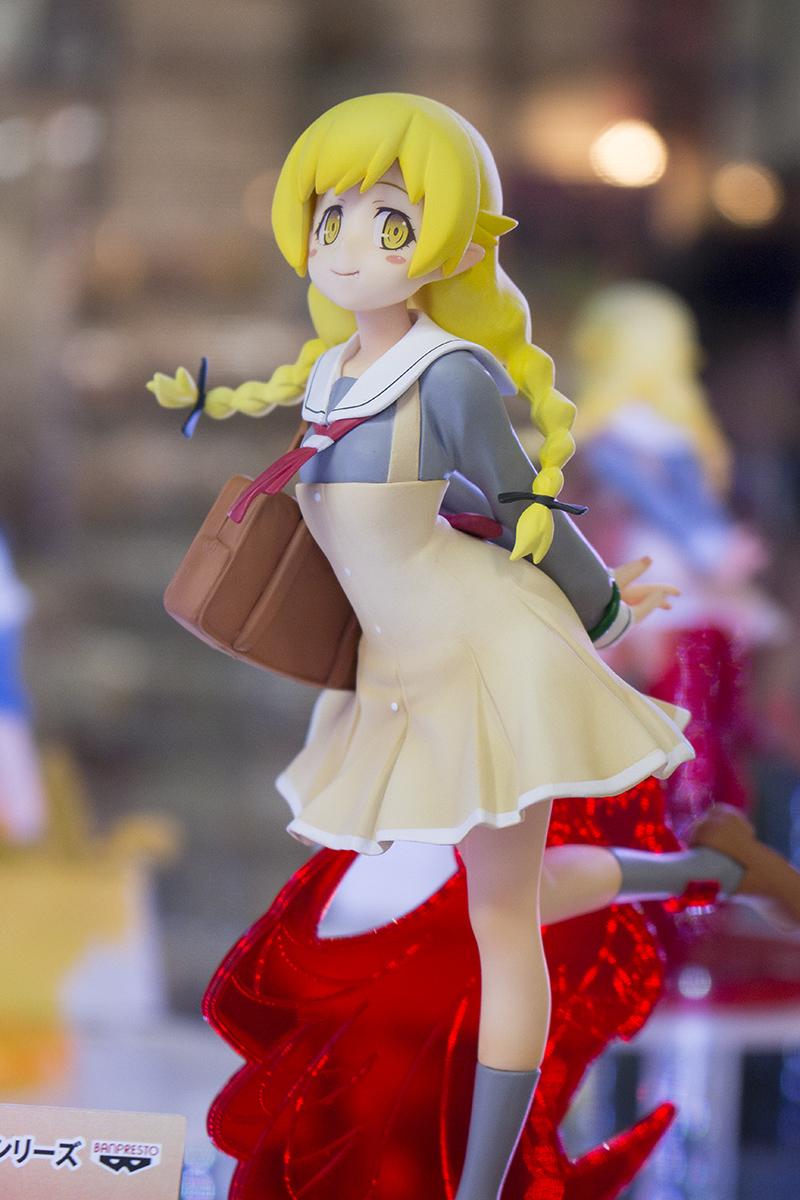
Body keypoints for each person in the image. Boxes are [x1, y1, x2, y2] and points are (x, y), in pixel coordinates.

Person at [150, 94, 800, 1200]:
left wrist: (604, 613)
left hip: (481, 656)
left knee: (497, 918)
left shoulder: (449, 374)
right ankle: (708, 867)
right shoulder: (332, 371)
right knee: (499, 896)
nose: (351, 246)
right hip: (395, 667)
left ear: (450, 242)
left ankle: (480, 1181)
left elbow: (521, 504)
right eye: (331, 217)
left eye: (392, 223)